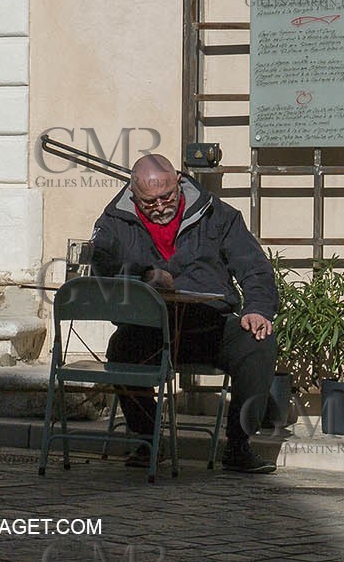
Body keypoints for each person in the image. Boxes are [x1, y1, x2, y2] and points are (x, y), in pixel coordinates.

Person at [89, 153, 279, 474]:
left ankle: (238, 446)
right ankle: (148, 439)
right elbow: (100, 267)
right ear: (133, 193)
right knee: (120, 349)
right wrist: (145, 274)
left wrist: (257, 309)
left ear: (179, 182)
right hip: (147, 326)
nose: (161, 206)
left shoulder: (217, 215)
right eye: (150, 202)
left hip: (208, 324)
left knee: (256, 343)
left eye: (168, 197)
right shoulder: (113, 221)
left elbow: (255, 268)